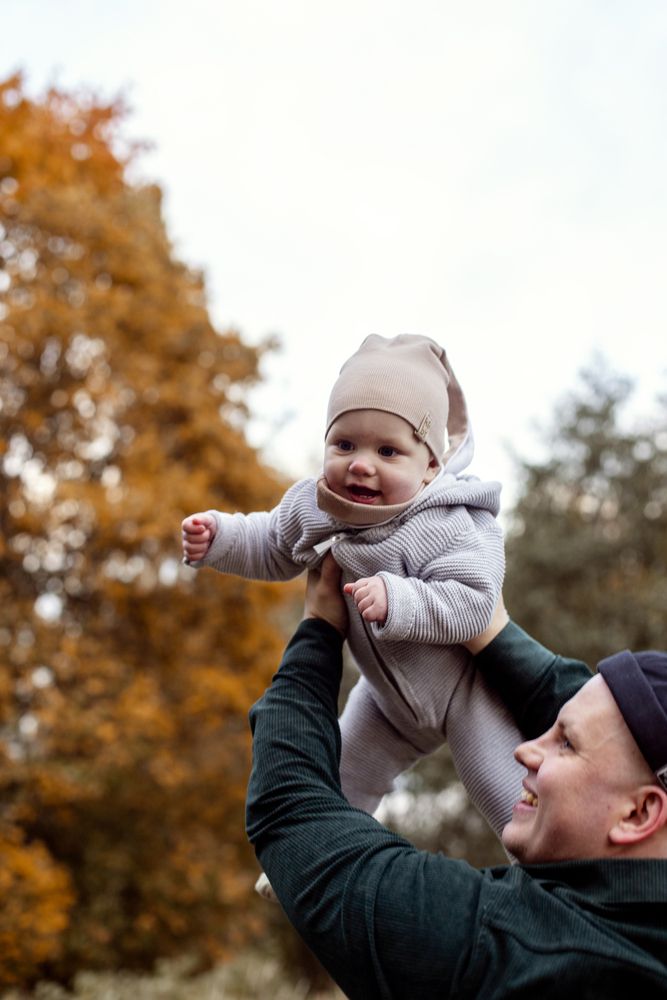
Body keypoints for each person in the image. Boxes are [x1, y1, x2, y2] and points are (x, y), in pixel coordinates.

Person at [246, 555, 667, 999]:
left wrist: (317, 630)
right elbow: (617, 732)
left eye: (565, 743)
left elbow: (292, 814)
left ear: (639, 813)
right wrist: (491, 632)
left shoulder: (517, 952)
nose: (526, 750)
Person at [182, 334, 524, 850]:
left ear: (430, 465)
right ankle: (315, 854)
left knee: (510, 800)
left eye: (388, 451)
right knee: (340, 782)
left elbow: (476, 603)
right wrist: (220, 537)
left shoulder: (453, 522)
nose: (361, 464)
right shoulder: (318, 507)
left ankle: (557, 873)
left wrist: (399, 598)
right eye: (344, 445)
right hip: (383, 699)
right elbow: (274, 544)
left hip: (463, 694)